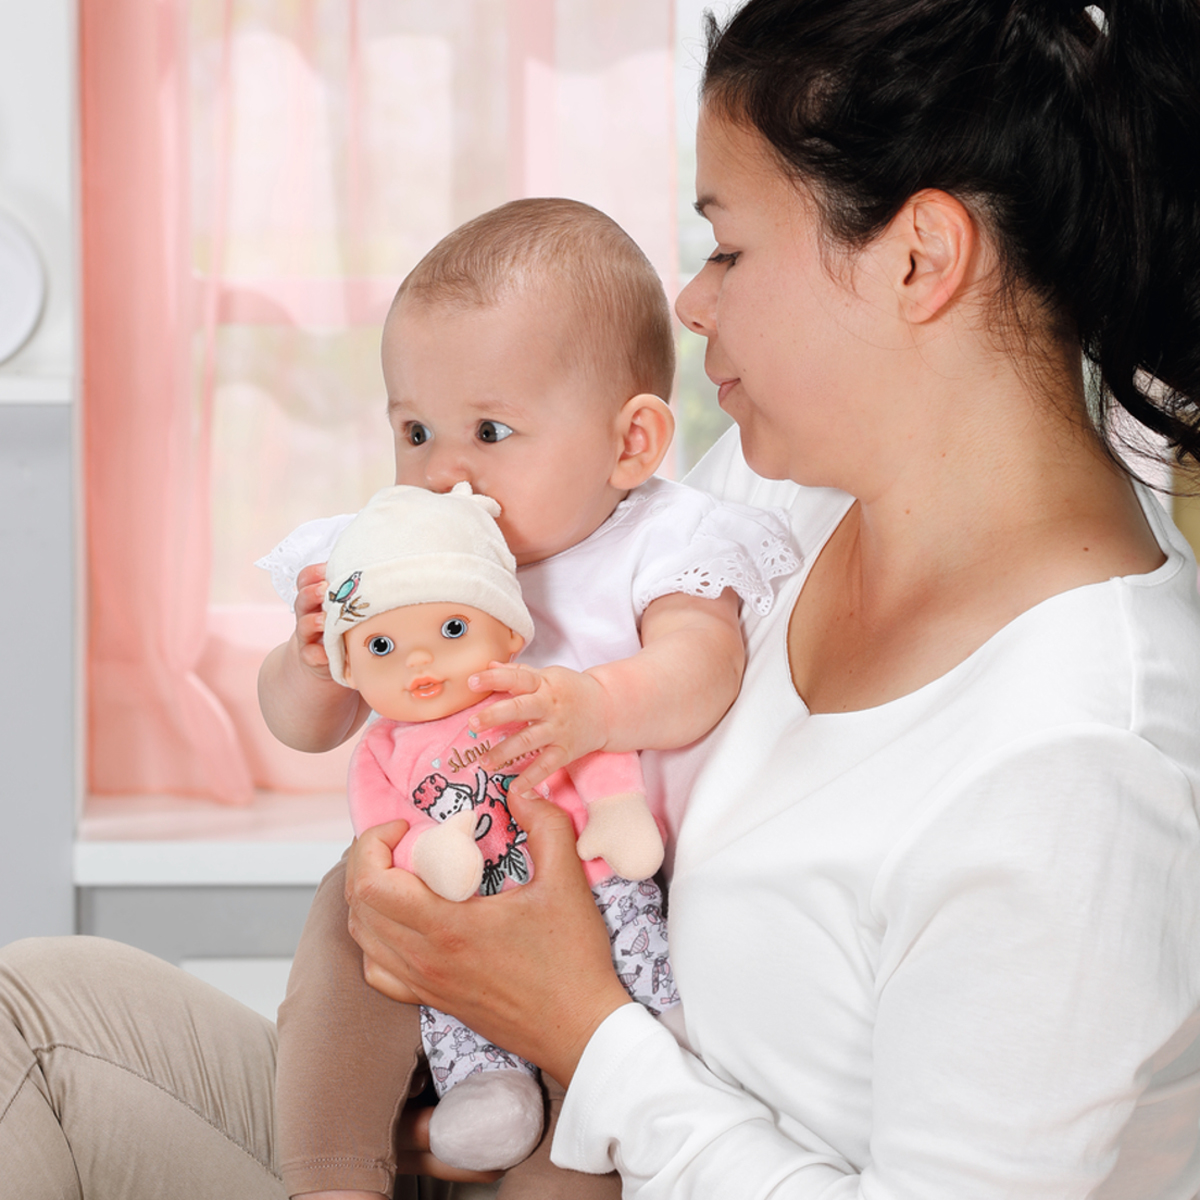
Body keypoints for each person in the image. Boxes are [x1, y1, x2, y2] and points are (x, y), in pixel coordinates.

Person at [2, 1, 1199, 1196]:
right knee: (32, 1023)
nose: (690, 303)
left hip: (596, 1140)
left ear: (921, 259)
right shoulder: (779, 507)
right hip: (503, 1111)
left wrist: (578, 1030)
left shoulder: (1082, 762)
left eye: (727, 247)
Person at [255, 196, 796, 1198]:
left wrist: (594, 706)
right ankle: (332, 1174)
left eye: (490, 431)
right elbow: (303, 726)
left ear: (629, 445)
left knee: (584, 1132)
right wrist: (313, 659)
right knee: (349, 909)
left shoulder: (660, 542)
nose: (442, 471)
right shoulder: (391, 553)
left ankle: (540, 1154)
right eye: (413, 430)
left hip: (596, 888)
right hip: (430, 863)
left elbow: (701, 668)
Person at [305, 480, 676, 1175]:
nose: (417, 662)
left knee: (632, 928)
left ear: (507, 632)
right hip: (471, 920)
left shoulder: (528, 694)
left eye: (450, 630)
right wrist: (428, 853)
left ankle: (665, 1026)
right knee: (451, 1002)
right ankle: (489, 1090)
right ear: (348, 666)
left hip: (585, 883)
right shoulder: (380, 752)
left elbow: (594, 747)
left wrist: (617, 806)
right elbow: (380, 841)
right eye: (381, 644)